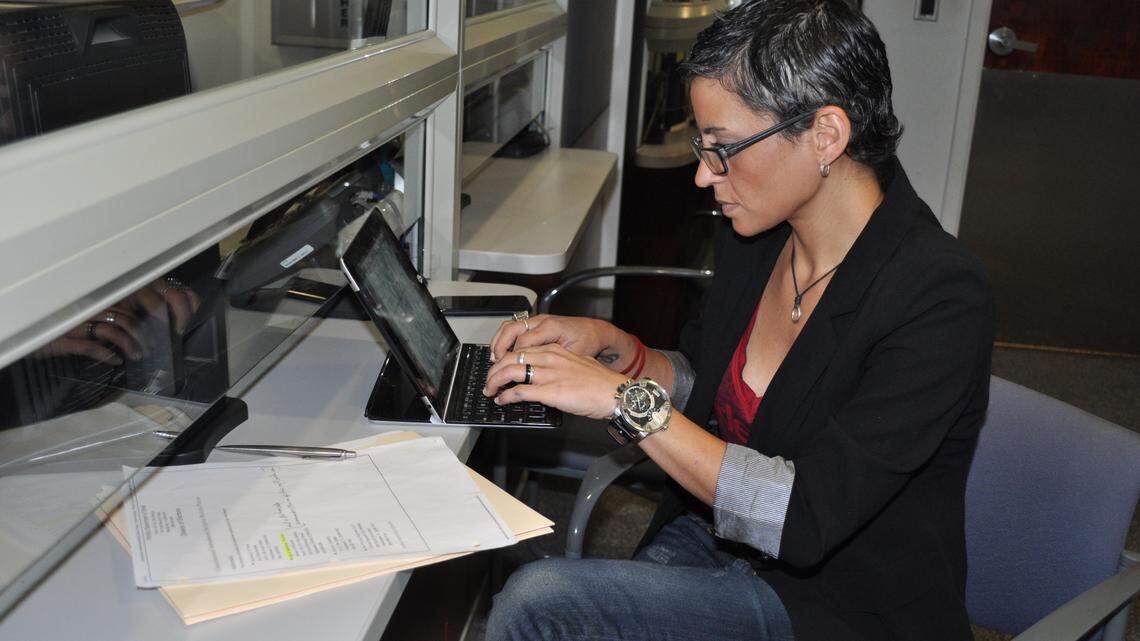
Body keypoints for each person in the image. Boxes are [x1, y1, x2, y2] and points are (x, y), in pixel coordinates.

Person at [482, 0, 993, 639]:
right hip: (717, 536)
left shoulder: (938, 297)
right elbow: (713, 389)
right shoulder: (758, 233)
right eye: (703, 146)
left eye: (723, 148)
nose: (703, 175)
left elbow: (801, 519)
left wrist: (625, 402)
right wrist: (616, 352)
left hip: (836, 603)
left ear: (826, 135)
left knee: (541, 602)